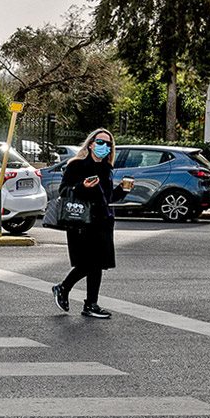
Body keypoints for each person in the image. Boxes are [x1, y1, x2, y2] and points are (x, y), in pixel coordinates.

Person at [52, 128, 132, 319]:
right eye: (100, 142)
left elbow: (107, 197)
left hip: (103, 220)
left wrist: (122, 190)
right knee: (88, 263)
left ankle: (91, 304)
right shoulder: (76, 165)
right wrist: (82, 186)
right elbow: (64, 191)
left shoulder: (106, 168)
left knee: (98, 264)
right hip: (82, 221)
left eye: (108, 144)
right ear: (91, 144)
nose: (104, 147)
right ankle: (63, 288)